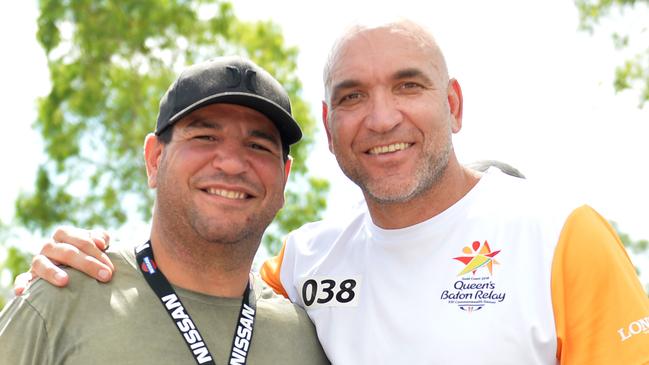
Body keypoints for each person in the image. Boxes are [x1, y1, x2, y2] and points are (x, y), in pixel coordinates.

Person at [14, 19, 649, 364]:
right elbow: (195, 278)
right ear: (328, 125)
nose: (380, 119)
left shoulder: (559, 235)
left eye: (408, 86)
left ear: (453, 104)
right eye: (351, 97)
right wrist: (64, 272)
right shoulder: (302, 264)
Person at [0, 56, 329, 365]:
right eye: (205, 136)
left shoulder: (306, 340)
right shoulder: (58, 301)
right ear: (155, 159)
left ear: (284, 179)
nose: (231, 163)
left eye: (257, 145)